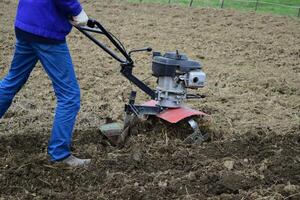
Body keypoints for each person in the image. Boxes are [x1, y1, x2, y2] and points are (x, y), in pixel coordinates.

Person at [0, 0, 91, 167]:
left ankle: (59, 152)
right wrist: (77, 10)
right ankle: (59, 154)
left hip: (26, 23)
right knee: (69, 95)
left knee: (12, 81)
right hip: (45, 30)